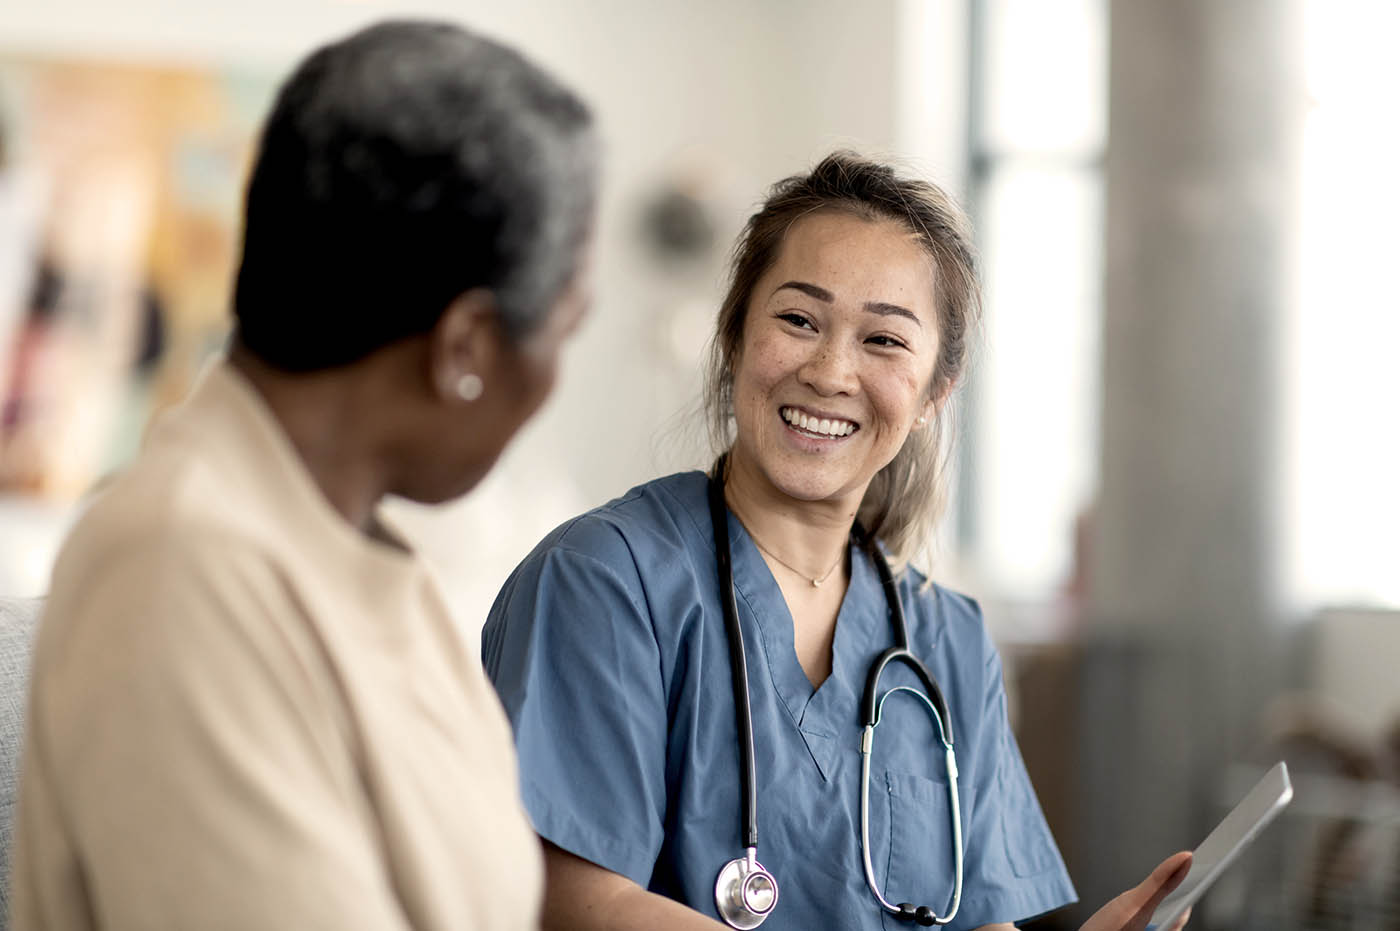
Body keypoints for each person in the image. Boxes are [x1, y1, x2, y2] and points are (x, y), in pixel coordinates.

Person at [482, 153, 1191, 931]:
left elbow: (978, 919)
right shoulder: (602, 582)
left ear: (933, 393)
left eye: (884, 340)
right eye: (797, 320)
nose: (829, 371)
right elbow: (577, 902)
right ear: (735, 335)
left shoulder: (947, 639)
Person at [9, 20, 596, 930]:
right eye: (564, 330)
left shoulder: (355, 551)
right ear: (468, 348)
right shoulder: (181, 570)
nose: (557, 380)